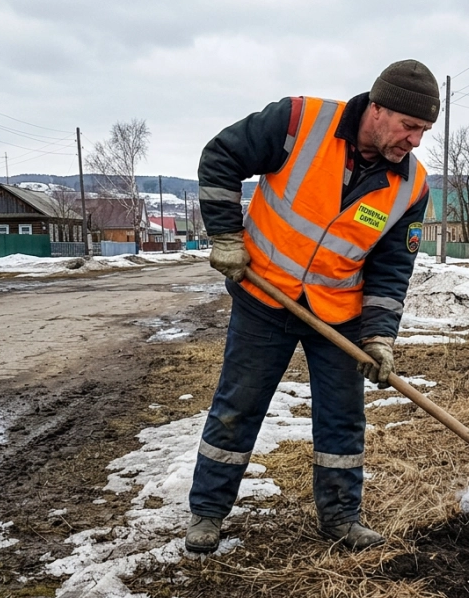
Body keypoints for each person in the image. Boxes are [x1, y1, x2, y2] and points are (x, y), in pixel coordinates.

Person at [185, 60, 439, 553]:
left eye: (423, 131)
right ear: (377, 108)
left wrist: (379, 336)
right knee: (238, 406)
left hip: (338, 314)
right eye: (409, 126)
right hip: (264, 294)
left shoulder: (411, 187)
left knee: (343, 419)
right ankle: (208, 512)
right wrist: (225, 235)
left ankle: (341, 518)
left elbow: (391, 269)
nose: (414, 141)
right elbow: (221, 156)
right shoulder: (299, 122)